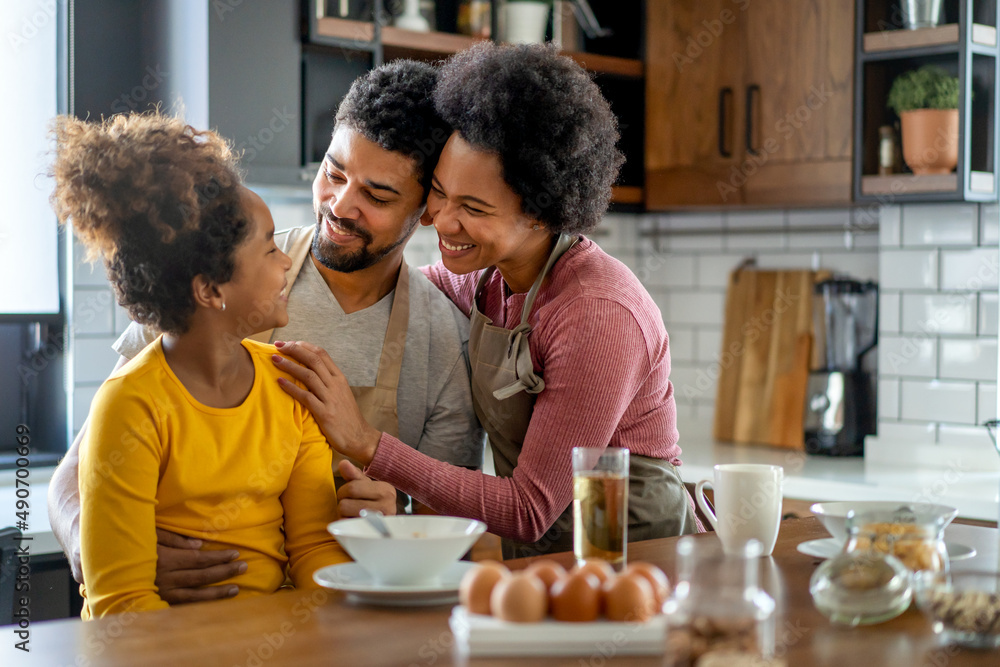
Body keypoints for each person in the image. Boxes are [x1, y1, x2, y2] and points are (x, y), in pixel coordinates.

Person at [46, 60, 482, 603]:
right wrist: (105, 552)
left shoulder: (446, 340)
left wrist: (398, 518)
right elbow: (79, 470)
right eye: (335, 171)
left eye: (378, 196)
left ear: (424, 211)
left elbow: (455, 526)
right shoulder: (217, 258)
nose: (341, 206)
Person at [272, 42, 703, 561]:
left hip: (637, 554)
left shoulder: (598, 312)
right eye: (439, 192)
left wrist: (368, 443)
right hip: (545, 558)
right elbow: (390, 281)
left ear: (542, 214)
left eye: (473, 208)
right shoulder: (483, 281)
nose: (442, 221)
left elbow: (528, 508)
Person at [49, 112, 352, 618]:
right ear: (210, 290)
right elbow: (122, 605)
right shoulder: (131, 405)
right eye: (270, 248)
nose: (286, 263)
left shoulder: (287, 383)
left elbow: (316, 554)